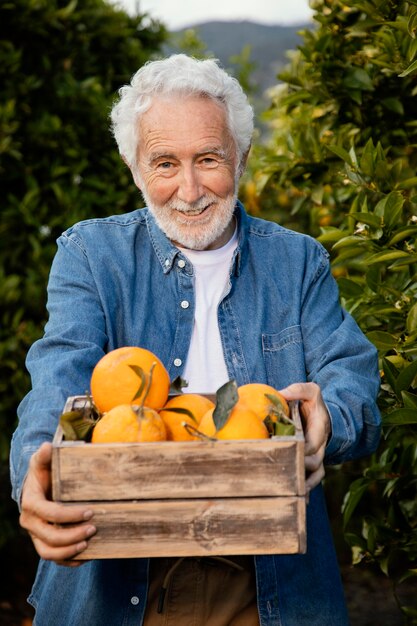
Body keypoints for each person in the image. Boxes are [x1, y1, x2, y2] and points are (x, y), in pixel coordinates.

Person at [10, 54, 381, 625]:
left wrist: (327, 418)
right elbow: (57, 376)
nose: (189, 190)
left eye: (209, 159)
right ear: (135, 169)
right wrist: (36, 475)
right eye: (164, 163)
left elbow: (351, 375)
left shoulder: (297, 260)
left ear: (243, 158)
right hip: (118, 573)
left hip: (266, 580)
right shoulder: (91, 255)